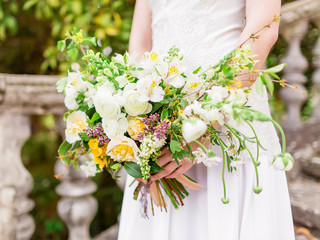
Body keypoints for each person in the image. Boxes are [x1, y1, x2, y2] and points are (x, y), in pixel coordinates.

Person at [118, 0, 295, 239]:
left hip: (229, 115)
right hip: (160, 122)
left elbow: (262, 29)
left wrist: (204, 125)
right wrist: (139, 122)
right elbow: (140, 45)